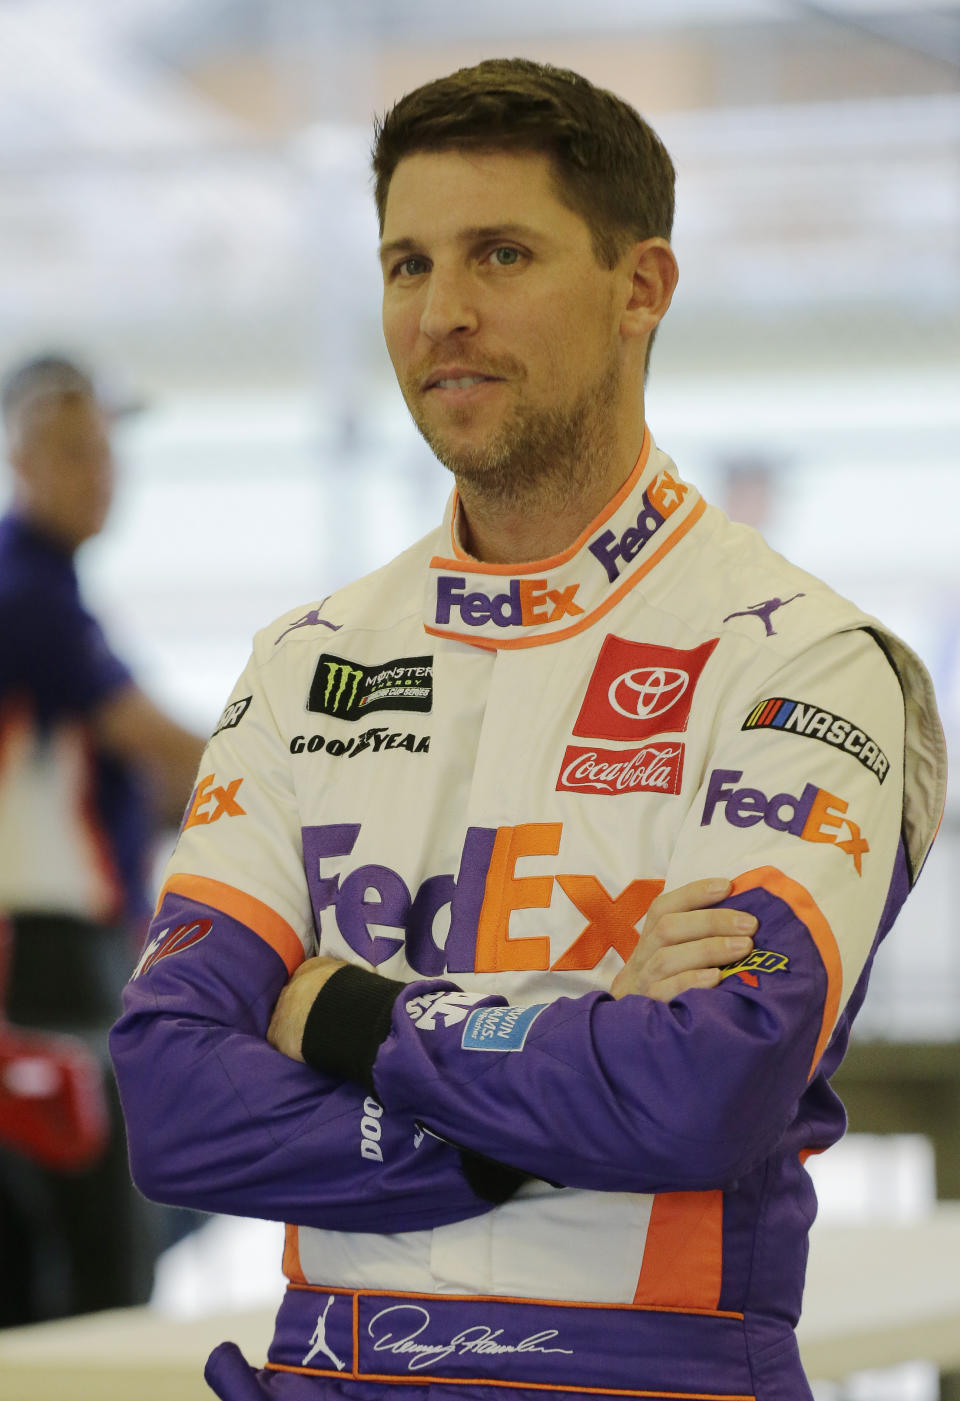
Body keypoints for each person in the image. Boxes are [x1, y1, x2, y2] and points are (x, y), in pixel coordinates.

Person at [110, 60, 945, 1401]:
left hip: (650, 1374)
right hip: (332, 1371)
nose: (443, 313)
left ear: (641, 288)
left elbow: (700, 1094)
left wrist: (344, 1013)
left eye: (501, 254)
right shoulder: (306, 665)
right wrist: (543, 1101)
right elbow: (169, 1106)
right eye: (406, 264)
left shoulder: (805, 661)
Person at [0, 352, 206, 1323]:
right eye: (76, 452)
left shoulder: (60, 596)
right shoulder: (26, 592)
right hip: (42, 963)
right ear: (23, 458)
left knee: (106, 1229)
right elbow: (166, 747)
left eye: (110, 452)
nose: (102, 474)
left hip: (78, 957)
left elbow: (152, 775)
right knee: (102, 1252)